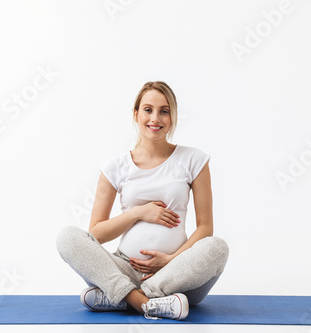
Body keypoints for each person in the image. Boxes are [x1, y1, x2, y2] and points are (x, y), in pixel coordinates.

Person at [56, 81, 229, 320]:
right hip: (123, 269)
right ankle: (146, 303)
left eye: (164, 111)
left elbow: (205, 228)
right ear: (136, 114)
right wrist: (138, 213)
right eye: (148, 109)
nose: (155, 118)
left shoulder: (194, 160)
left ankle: (124, 298)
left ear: (172, 116)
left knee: (217, 248)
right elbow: (96, 234)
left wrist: (171, 260)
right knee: (67, 237)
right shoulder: (114, 167)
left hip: (176, 273)